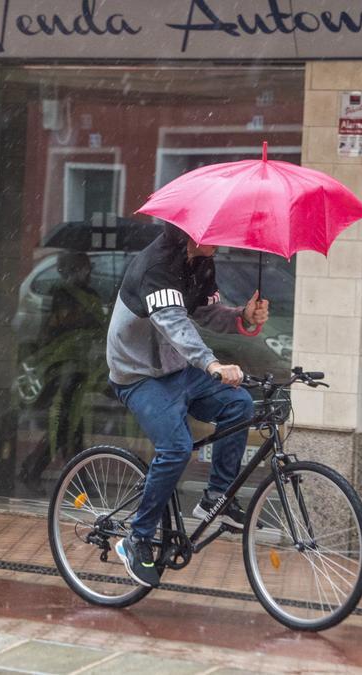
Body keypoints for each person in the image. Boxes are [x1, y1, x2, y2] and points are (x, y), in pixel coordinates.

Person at [106, 224, 269, 587]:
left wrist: (242, 316)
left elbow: (202, 313)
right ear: (194, 234)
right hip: (139, 376)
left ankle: (216, 498)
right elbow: (175, 324)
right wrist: (211, 364)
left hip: (177, 369)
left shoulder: (201, 262)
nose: (223, 240)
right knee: (176, 447)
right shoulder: (157, 267)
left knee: (239, 406)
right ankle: (138, 538)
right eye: (216, 233)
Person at [17, 251, 107, 492]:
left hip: (80, 368)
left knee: (68, 428)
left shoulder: (89, 295)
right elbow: (60, 326)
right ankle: (76, 480)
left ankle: (36, 469)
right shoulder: (63, 294)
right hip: (65, 369)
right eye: (83, 268)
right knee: (68, 427)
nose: (88, 273)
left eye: (88, 268)